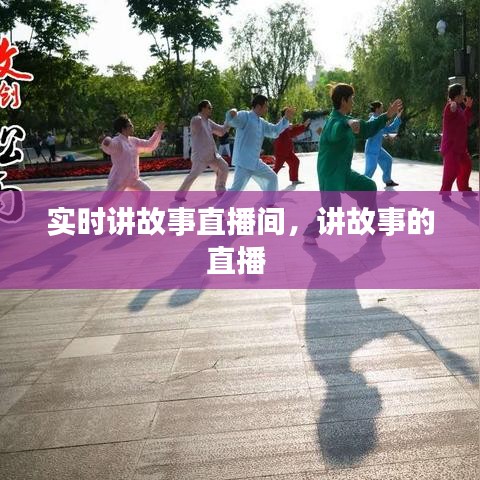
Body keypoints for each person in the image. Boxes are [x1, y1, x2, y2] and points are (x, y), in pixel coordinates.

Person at [303, 83, 402, 244]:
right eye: (351, 99)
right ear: (344, 100)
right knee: (333, 207)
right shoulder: (333, 122)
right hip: (330, 173)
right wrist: (347, 124)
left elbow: (368, 128)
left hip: (344, 171)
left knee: (368, 186)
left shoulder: (349, 120)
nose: (353, 102)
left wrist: (387, 115)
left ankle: (374, 223)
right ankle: (310, 232)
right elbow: (336, 131)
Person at [217, 95, 294, 207]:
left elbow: (274, 131)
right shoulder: (245, 116)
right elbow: (232, 121)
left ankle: (270, 203)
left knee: (272, 177)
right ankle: (217, 210)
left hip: (255, 162)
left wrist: (285, 118)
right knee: (236, 189)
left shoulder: (261, 122)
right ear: (258, 106)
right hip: (244, 163)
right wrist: (231, 113)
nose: (267, 109)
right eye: (265, 106)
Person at [175, 100, 230, 201]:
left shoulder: (209, 122)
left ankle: (220, 189)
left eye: (211, 108)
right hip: (200, 156)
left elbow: (221, 131)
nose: (211, 110)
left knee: (224, 167)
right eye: (209, 108)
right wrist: (200, 118)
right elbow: (195, 125)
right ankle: (180, 195)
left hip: (213, 155)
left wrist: (229, 120)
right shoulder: (196, 119)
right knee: (193, 175)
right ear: (203, 108)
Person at [100, 115, 164, 197]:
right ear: (123, 129)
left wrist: (158, 132)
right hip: (119, 180)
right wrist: (106, 141)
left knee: (146, 191)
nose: (132, 126)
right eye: (130, 125)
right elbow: (110, 146)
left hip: (132, 179)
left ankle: (140, 206)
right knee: (106, 202)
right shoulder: (118, 141)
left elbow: (149, 144)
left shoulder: (134, 141)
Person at [439, 83, 477, 200]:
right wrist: (453, 105)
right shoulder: (450, 106)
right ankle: (445, 194)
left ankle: (464, 190)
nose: (464, 95)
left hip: (460, 147)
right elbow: (452, 109)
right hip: (451, 147)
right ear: (457, 95)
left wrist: (468, 108)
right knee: (451, 172)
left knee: (467, 166)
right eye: (462, 93)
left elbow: (464, 122)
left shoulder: (460, 108)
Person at [364, 101, 402, 187]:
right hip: (371, 150)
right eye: (381, 107)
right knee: (371, 168)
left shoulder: (380, 120)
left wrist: (398, 116)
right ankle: (362, 186)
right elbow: (369, 132)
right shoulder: (372, 121)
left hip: (378, 149)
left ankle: (387, 180)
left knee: (388, 160)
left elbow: (390, 129)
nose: (383, 109)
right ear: (377, 109)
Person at [273, 111, 311, 185]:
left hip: (288, 151)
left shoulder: (286, 124)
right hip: (281, 151)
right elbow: (291, 131)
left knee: (295, 162)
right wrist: (303, 126)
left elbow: (292, 132)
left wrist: (303, 125)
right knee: (277, 167)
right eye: (289, 113)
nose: (291, 115)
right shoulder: (281, 124)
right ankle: (267, 180)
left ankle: (294, 180)